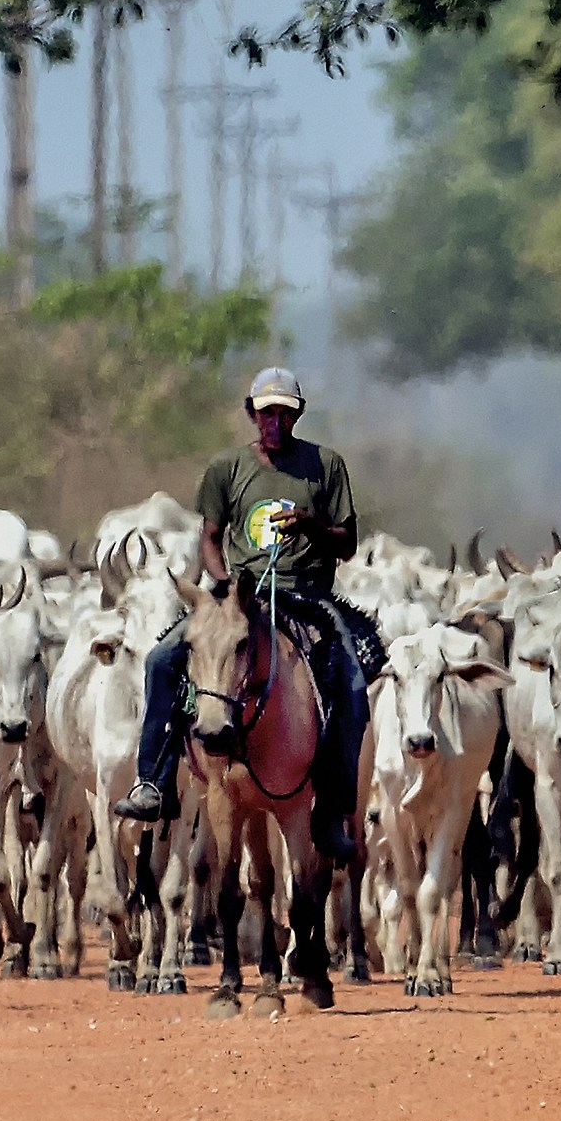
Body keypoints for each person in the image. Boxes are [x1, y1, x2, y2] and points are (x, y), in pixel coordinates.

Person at [112, 367, 378, 863]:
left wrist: (309, 525)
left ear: (295, 415)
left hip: (306, 597)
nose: (274, 421)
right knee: (161, 661)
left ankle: (331, 812)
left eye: (284, 412)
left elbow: (347, 543)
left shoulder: (326, 466)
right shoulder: (227, 468)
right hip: (240, 599)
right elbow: (210, 538)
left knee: (352, 685)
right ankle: (154, 780)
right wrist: (222, 586)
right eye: (266, 412)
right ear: (252, 414)